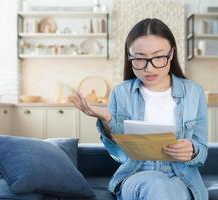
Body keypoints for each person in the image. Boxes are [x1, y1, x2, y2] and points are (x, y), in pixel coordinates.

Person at [71, 18, 208, 200]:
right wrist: (106, 119)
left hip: (181, 177)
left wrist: (192, 150)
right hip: (136, 175)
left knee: (167, 189)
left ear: (172, 53)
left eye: (158, 57)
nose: (149, 68)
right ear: (129, 57)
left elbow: (202, 151)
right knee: (156, 183)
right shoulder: (120, 93)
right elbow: (119, 155)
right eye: (140, 59)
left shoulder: (194, 92)